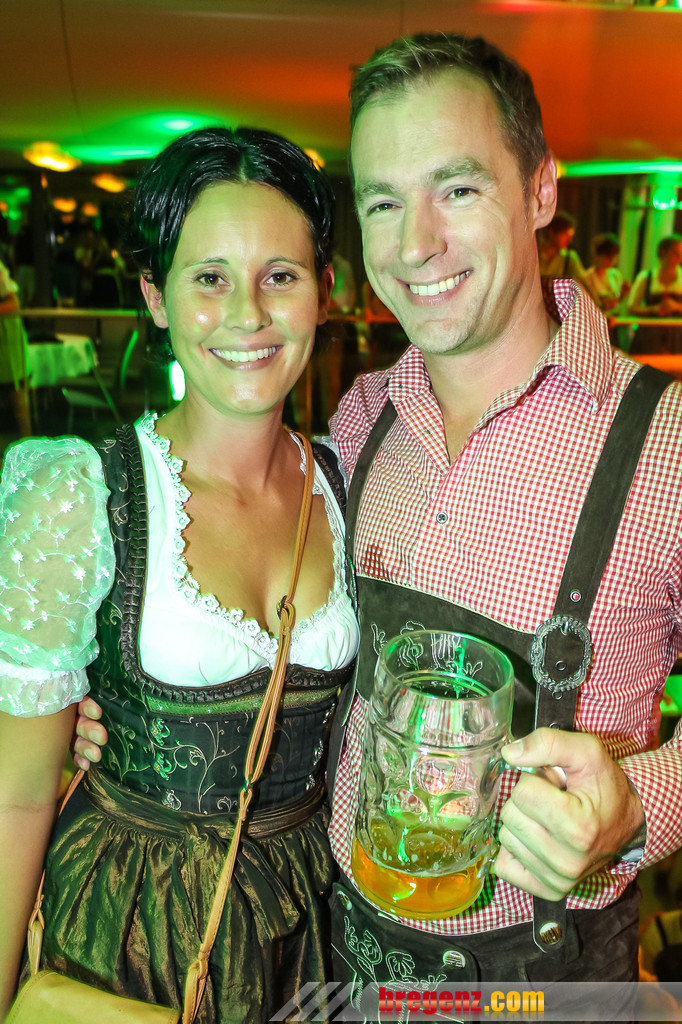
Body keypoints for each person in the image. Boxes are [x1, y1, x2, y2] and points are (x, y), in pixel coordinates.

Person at [321, 31, 681, 1006]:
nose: (414, 244)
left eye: (457, 188)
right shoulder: (360, 420)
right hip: (346, 958)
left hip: (547, 984)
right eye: (382, 202)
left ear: (540, 190)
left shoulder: (665, 442)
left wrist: (639, 806)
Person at [0, 126, 359, 1023]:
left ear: (325, 291)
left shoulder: (352, 479)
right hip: (129, 931)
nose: (248, 314)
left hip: (307, 928)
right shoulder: (82, 495)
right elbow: (17, 793)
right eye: (209, 278)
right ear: (155, 297)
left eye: (281, 275)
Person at [627, 234, 682, 354]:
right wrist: (653, 309)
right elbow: (631, 307)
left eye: (681, 254)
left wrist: (676, 306)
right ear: (663, 252)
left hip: (677, 338)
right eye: (675, 253)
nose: (679, 257)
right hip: (649, 337)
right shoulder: (646, 277)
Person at [538, 210, 599, 305]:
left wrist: (598, 305)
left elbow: (586, 285)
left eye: (570, 236)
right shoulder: (534, 253)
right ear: (551, 233)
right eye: (565, 235)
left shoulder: (569, 258)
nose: (569, 240)